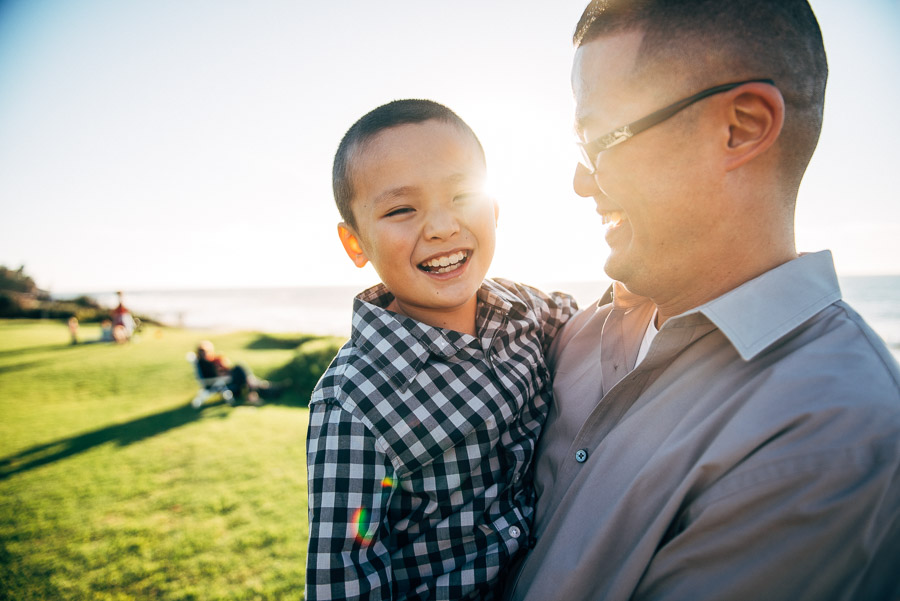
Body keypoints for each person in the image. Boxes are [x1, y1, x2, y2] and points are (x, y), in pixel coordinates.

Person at [505, 2, 900, 601]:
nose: (582, 181)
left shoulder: (831, 433)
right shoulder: (579, 332)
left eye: (602, 138)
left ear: (740, 127)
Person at [305, 99, 577, 601]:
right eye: (401, 209)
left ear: (494, 208)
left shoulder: (526, 310)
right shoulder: (352, 403)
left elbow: (608, 326)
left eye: (461, 195)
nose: (441, 226)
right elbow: (344, 571)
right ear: (355, 244)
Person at [194, 340, 273, 405]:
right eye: (203, 352)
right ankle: (254, 391)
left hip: (226, 381)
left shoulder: (208, 362)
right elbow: (216, 375)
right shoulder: (204, 364)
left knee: (247, 376)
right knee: (239, 368)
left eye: (207, 351)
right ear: (200, 353)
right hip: (223, 382)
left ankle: (258, 387)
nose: (205, 354)